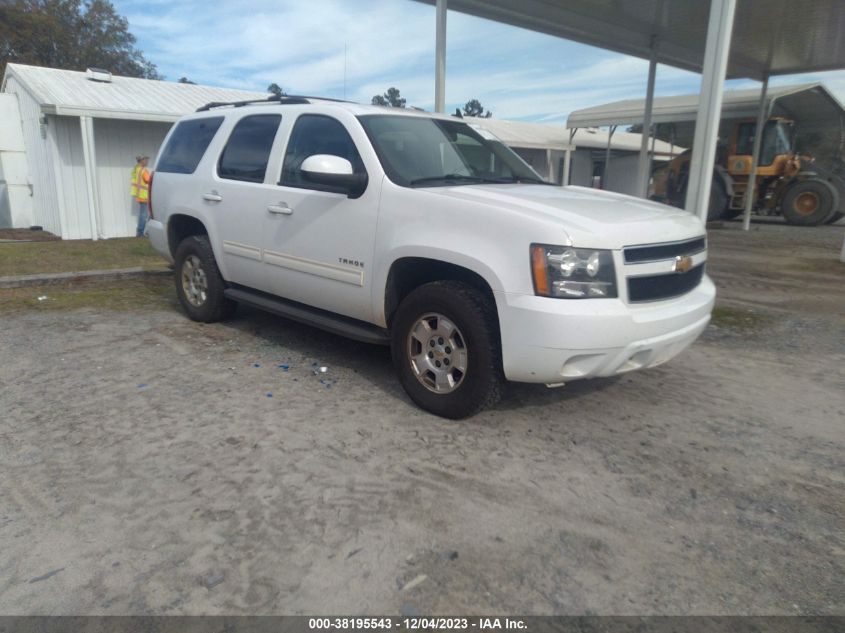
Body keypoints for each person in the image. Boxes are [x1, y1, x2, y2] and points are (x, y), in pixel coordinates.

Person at [131, 155, 151, 237]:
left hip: (140, 195)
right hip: (144, 196)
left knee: (144, 214)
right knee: (144, 215)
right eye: (145, 160)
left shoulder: (136, 169)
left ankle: (141, 232)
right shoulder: (143, 171)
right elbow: (149, 180)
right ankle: (140, 233)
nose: (147, 161)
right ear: (141, 161)